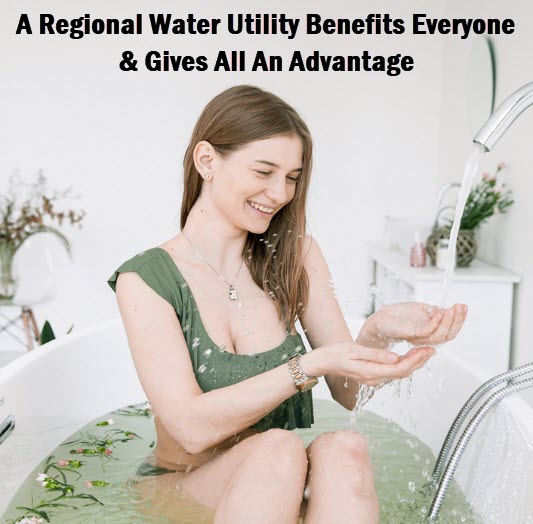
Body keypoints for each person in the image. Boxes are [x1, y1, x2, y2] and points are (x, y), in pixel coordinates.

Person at [107, 84, 467, 523]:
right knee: (277, 448)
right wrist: (307, 366)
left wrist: (380, 330)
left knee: (346, 447)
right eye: (264, 172)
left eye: (292, 178)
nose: (280, 193)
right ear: (207, 161)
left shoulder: (296, 255)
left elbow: (348, 393)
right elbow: (191, 428)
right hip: (186, 491)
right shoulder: (145, 280)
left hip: (274, 488)